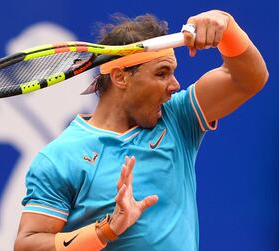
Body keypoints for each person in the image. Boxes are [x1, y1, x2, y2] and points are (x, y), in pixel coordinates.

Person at [14, 10, 268, 251]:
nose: (175, 85)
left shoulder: (178, 119)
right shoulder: (61, 157)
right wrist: (106, 230)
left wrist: (226, 24)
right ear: (120, 77)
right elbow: (28, 244)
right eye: (162, 73)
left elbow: (249, 78)